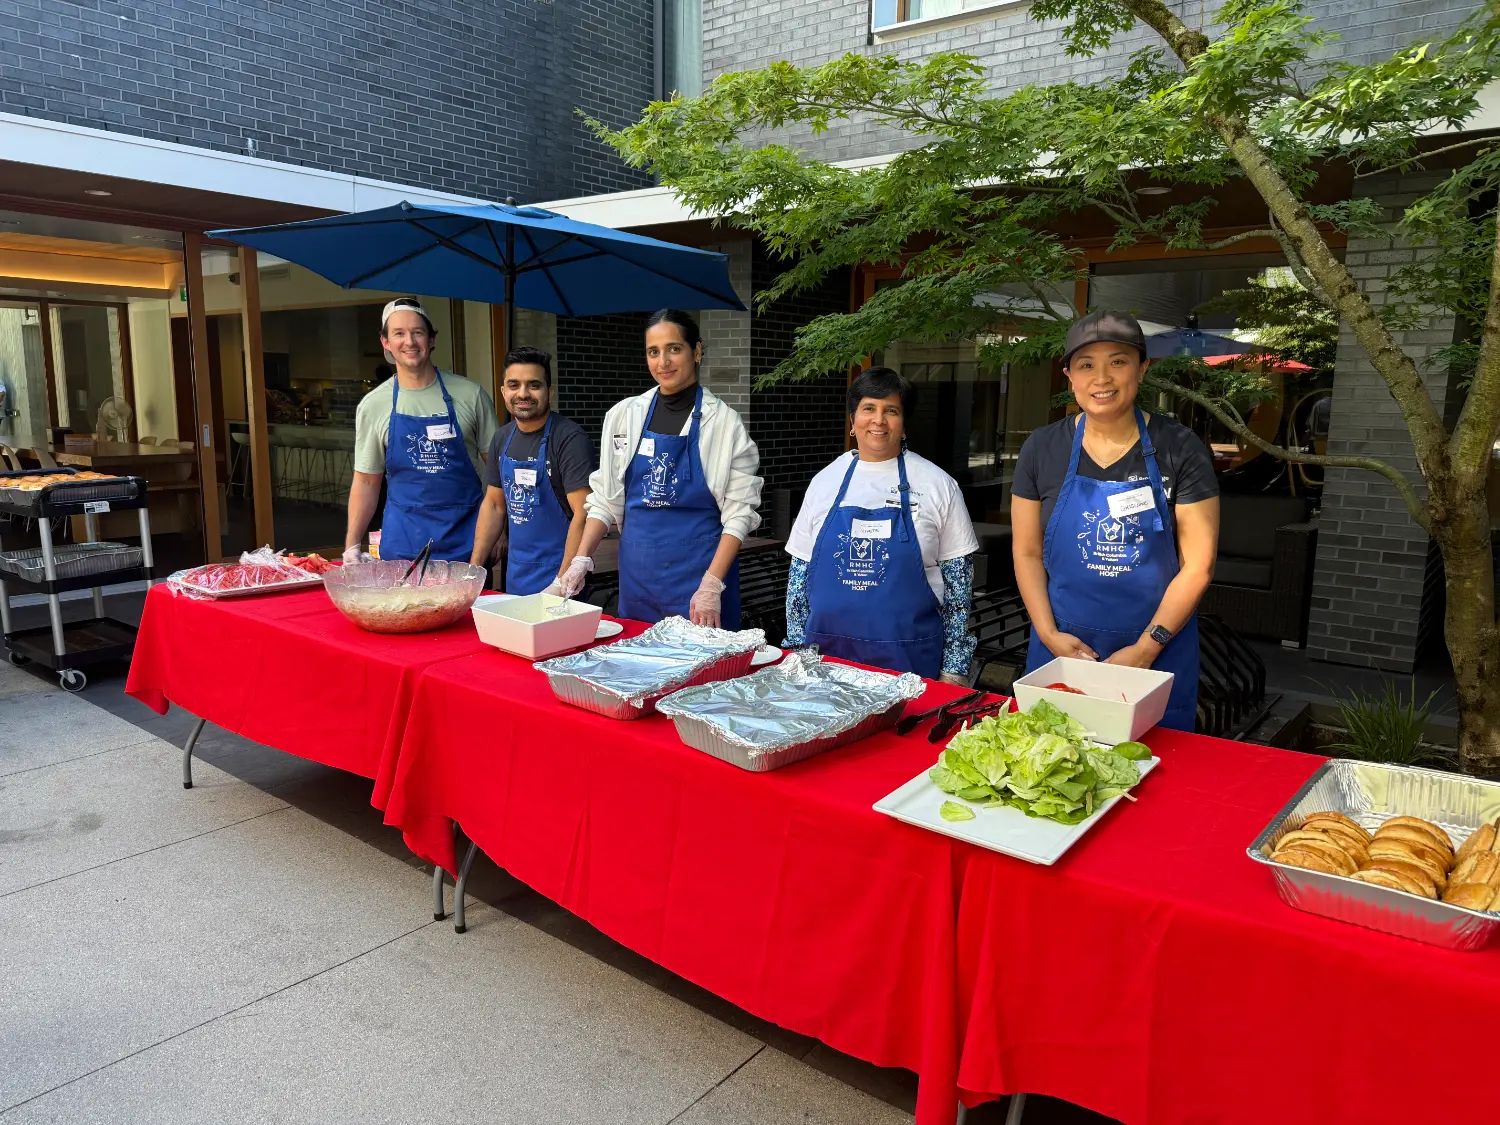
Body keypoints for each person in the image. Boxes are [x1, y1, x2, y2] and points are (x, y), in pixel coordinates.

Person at [1011, 309, 1220, 731]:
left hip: (1158, 649)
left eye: (1118, 362)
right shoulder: (1041, 448)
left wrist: (1146, 648)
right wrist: (1049, 635)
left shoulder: (1179, 448)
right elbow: (1027, 551)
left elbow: (1198, 565)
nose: (1101, 378)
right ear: (1069, 374)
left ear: (1142, 369)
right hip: (1063, 650)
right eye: (1086, 365)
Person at [557, 309, 762, 629]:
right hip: (638, 583)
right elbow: (606, 498)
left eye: (674, 349)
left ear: (696, 351)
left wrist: (711, 585)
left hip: (700, 584)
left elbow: (740, 514)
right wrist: (581, 557)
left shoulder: (723, 423)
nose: (663, 361)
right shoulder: (624, 416)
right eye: (654, 352)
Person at [783, 367, 979, 684]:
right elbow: (798, 581)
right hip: (826, 663)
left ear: (904, 425)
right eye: (868, 409)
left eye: (891, 410)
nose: (879, 420)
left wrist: (954, 668)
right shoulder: (825, 482)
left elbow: (959, 591)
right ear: (852, 419)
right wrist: (796, 652)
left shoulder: (937, 484)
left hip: (909, 663)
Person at [345, 298, 498, 563]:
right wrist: (350, 545)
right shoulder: (374, 405)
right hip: (403, 546)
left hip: (467, 542)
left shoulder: (471, 395)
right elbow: (367, 481)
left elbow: (499, 471)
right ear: (386, 343)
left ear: (432, 339)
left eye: (418, 332)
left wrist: (500, 532)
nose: (410, 342)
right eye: (399, 334)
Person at [469, 347, 593, 595]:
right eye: (514, 385)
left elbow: (584, 512)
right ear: (504, 392)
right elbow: (494, 505)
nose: (523, 393)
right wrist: (474, 569)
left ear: (550, 391)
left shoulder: (569, 438)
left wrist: (561, 583)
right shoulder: (501, 438)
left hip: (562, 576)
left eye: (534, 385)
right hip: (516, 573)